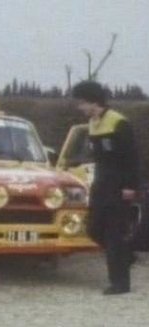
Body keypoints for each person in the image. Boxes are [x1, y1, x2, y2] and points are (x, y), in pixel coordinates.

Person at [72, 80, 140, 295]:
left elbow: (132, 158)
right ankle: (126, 255)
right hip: (101, 183)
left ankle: (120, 283)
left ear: (93, 101)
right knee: (93, 229)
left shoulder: (118, 122)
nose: (79, 108)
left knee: (114, 234)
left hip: (119, 184)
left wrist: (131, 186)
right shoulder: (93, 123)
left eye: (81, 103)